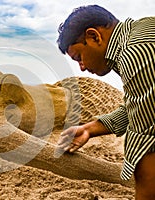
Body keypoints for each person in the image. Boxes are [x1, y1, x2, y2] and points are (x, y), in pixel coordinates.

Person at [56, 5, 155, 200]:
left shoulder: (134, 53)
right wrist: (89, 129)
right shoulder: (142, 31)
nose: (82, 68)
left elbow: (146, 138)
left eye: (79, 58)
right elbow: (140, 106)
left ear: (94, 36)